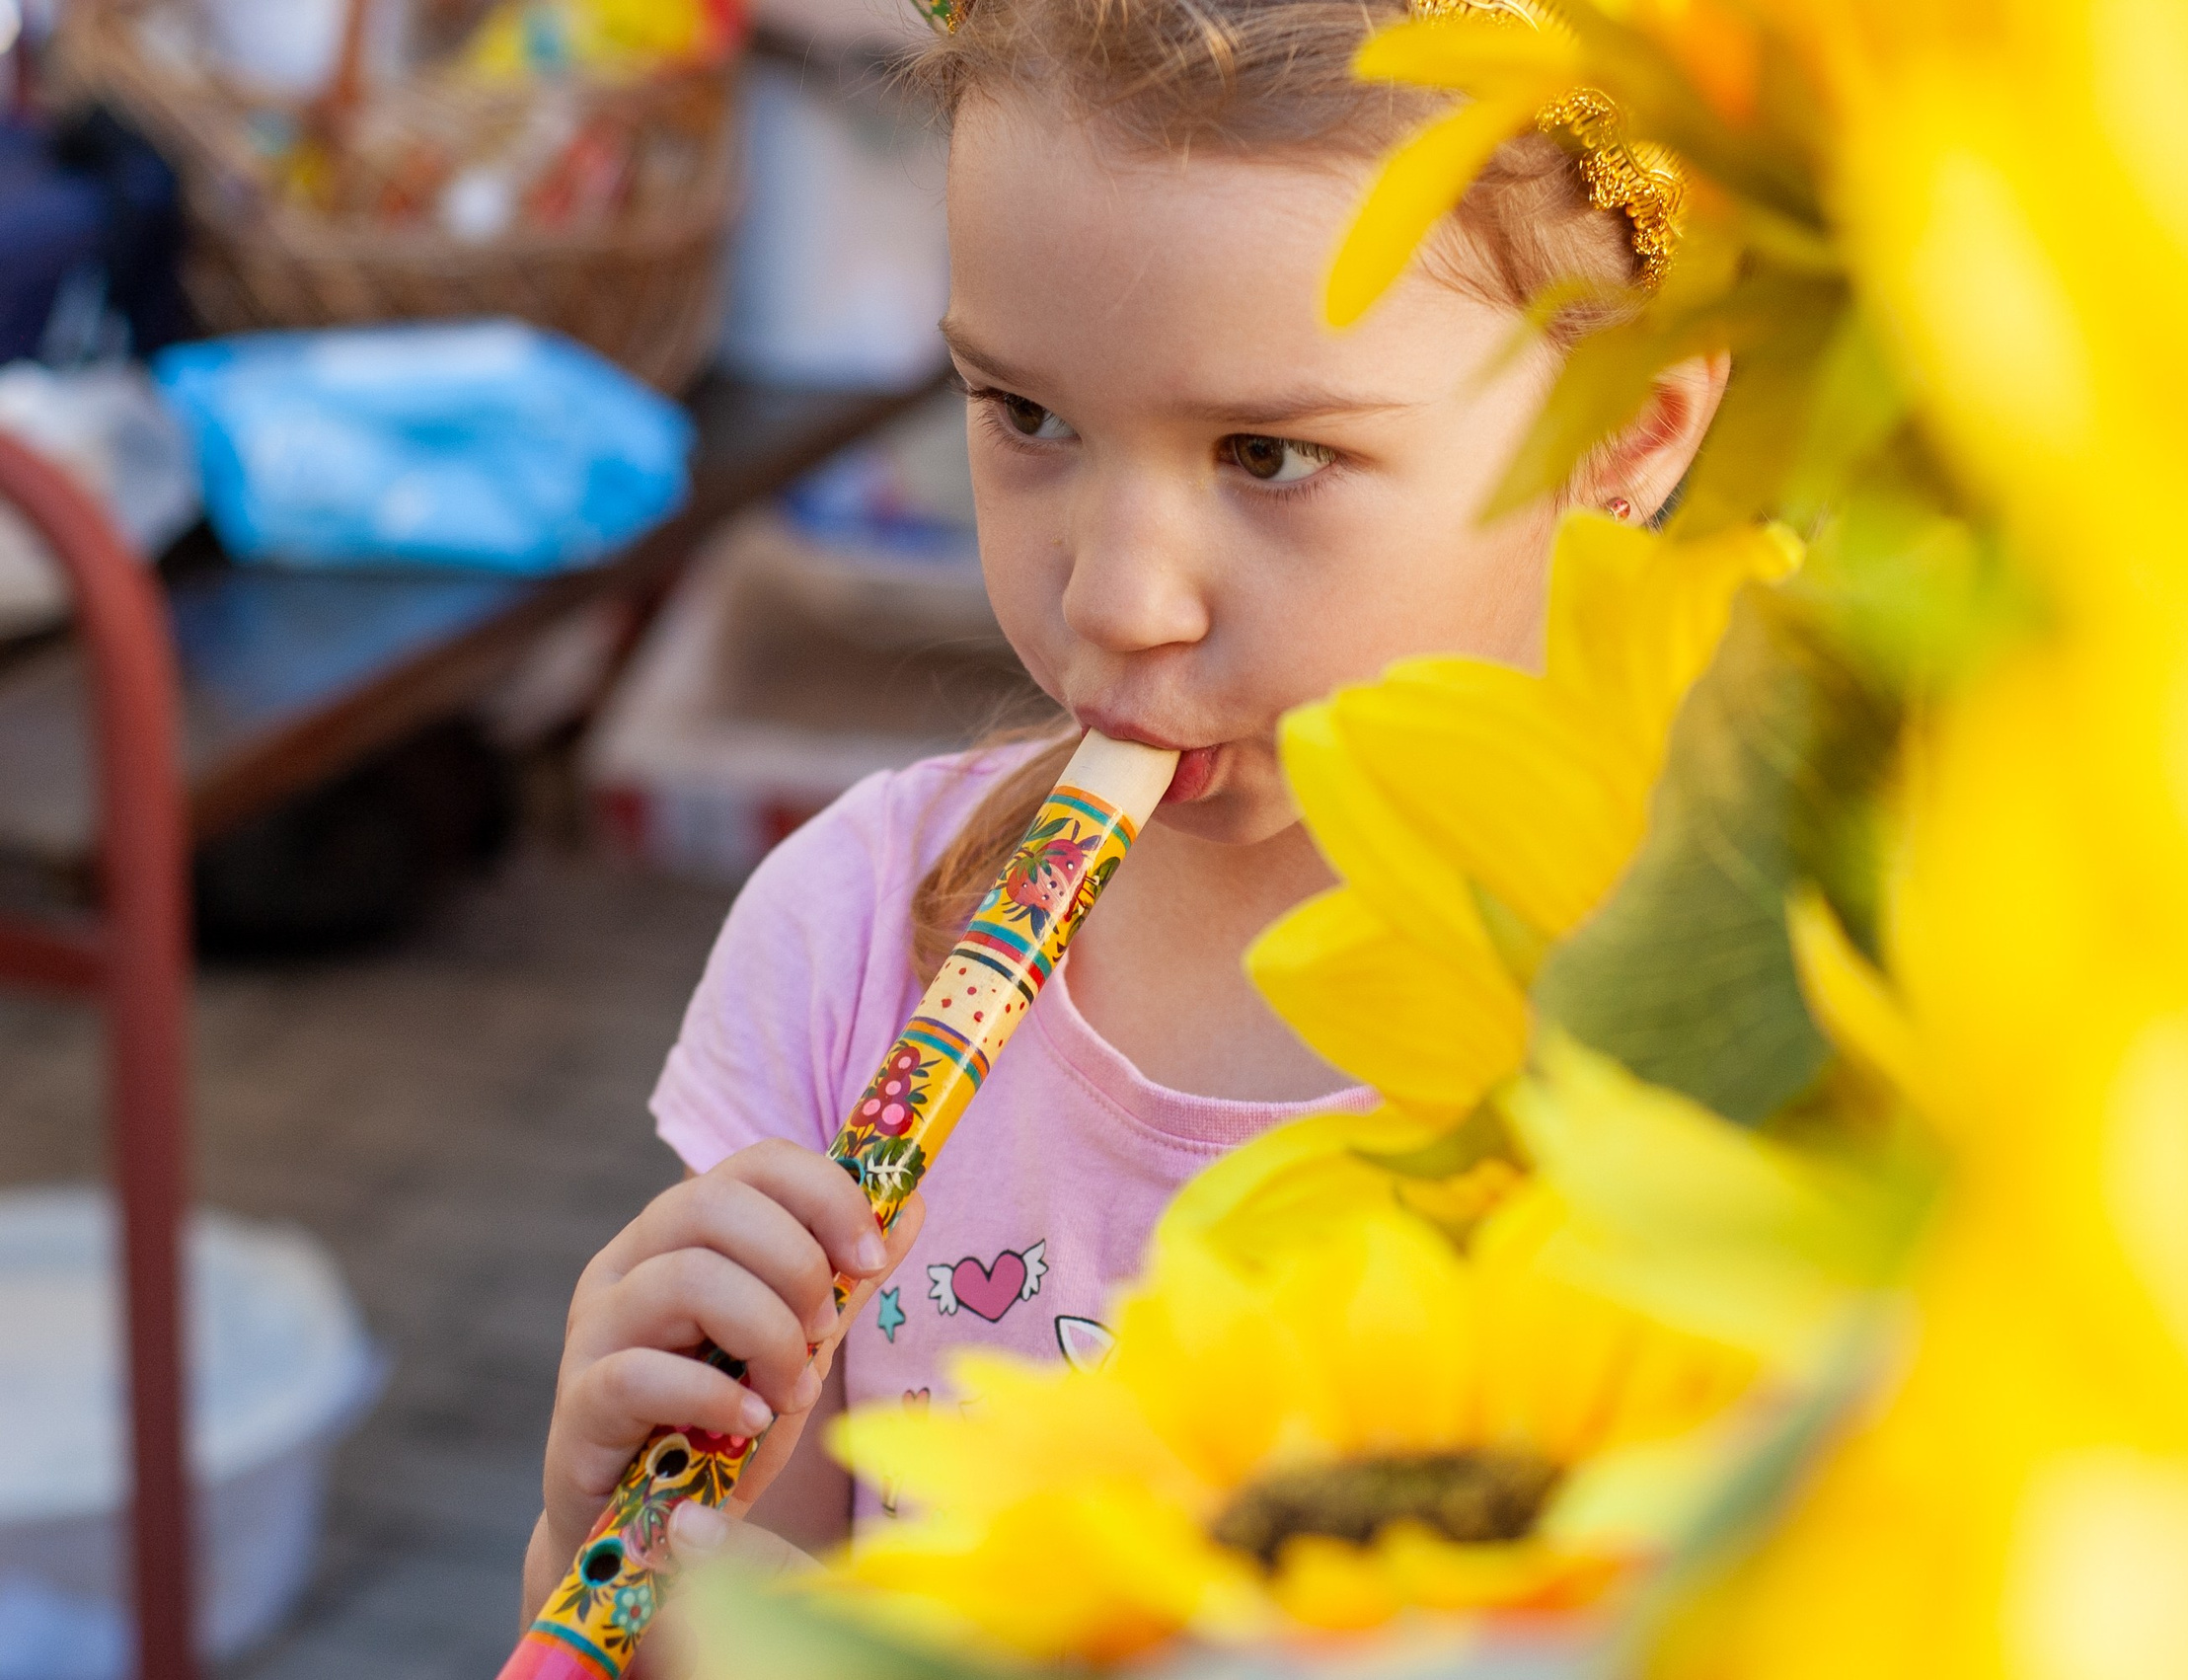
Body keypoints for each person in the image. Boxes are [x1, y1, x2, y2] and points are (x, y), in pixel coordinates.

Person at [519, 0, 1725, 1629]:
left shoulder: (1720, 1039)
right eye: (1027, 417)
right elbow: (744, 1606)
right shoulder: (851, 939)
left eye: (1269, 453)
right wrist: (610, 1563)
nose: (1116, 594)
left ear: (1624, 433)